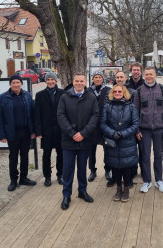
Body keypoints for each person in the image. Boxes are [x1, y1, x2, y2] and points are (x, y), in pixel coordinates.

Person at [57, 73, 99, 210]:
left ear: (85, 82)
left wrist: (83, 133)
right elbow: (61, 116)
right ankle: (66, 195)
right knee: (68, 169)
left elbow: (95, 116)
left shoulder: (91, 98)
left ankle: (82, 191)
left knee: (82, 168)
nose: (79, 83)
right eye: (77, 81)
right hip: (69, 140)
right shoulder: (65, 97)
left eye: (82, 81)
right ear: (73, 82)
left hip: (85, 140)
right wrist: (72, 133)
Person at [0, 75, 36, 192]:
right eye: (13, 82)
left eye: (18, 82)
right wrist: (2, 135)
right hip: (12, 132)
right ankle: (13, 180)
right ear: (10, 84)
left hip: (26, 131)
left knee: (25, 155)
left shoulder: (28, 96)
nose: (16, 85)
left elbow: (32, 115)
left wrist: (33, 131)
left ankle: (23, 178)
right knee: (13, 156)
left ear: (21, 84)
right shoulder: (2, 98)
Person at [134, 66, 163, 194]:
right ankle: (147, 180)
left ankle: (159, 180)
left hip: (159, 128)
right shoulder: (139, 90)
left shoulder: (162, 89)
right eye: (147, 74)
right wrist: (137, 129)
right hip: (144, 129)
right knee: (145, 155)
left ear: (155, 75)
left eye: (151, 74)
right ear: (144, 75)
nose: (149, 76)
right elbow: (135, 111)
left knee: (158, 155)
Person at [100, 84, 139, 202]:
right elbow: (102, 124)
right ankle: (118, 189)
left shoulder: (131, 107)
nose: (117, 93)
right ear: (112, 93)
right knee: (115, 166)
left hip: (127, 140)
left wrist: (123, 133)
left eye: (119, 91)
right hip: (112, 141)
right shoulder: (107, 106)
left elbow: (135, 124)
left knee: (126, 166)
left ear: (124, 93)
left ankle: (126, 189)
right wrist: (113, 133)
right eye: (115, 91)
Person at [34, 72, 64, 186]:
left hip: (60, 130)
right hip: (46, 131)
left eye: (52, 79)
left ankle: (60, 175)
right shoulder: (40, 95)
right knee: (46, 154)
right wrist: (39, 131)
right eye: (48, 79)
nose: (50, 81)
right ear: (45, 81)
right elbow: (37, 114)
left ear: (56, 81)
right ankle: (47, 176)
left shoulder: (62, 93)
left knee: (60, 154)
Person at [87, 72, 111, 184]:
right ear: (93, 78)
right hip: (91, 125)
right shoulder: (88, 91)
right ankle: (92, 170)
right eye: (95, 77)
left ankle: (107, 170)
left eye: (99, 77)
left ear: (102, 79)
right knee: (91, 150)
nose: (97, 79)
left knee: (107, 149)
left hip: (104, 124)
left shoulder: (108, 90)